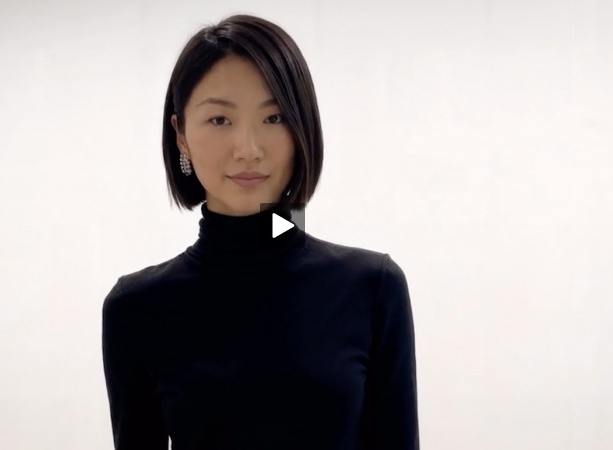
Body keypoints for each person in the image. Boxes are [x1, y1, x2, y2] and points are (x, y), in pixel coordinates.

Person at [101, 14, 419, 450]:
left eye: (274, 118)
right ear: (181, 135)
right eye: (219, 120)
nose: (248, 150)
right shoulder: (136, 307)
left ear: (302, 127)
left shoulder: (372, 288)